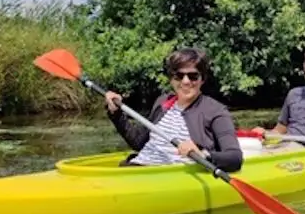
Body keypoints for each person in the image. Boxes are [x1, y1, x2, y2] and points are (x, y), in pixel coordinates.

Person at [104, 47, 244, 172]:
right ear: (171, 78)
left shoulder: (215, 111)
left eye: (193, 76)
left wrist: (203, 155)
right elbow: (138, 143)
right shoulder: (163, 102)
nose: (185, 81)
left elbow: (235, 158)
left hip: (168, 178)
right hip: (138, 169)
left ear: (203, 79)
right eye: (179, 75)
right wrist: (116, 113)